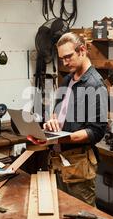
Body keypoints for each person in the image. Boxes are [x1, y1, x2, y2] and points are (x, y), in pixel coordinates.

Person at [43, 32, 108, 206]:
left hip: (78, 163)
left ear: (82, 50)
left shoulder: (95, 85)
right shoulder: (66, 80)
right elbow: (57, 112)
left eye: (68, 57)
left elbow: (97, 130)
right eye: (62, 58)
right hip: (59, 159)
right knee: (62, 213)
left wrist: (64, 137)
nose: (65, 62)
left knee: (83, 218)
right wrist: (52, 122)